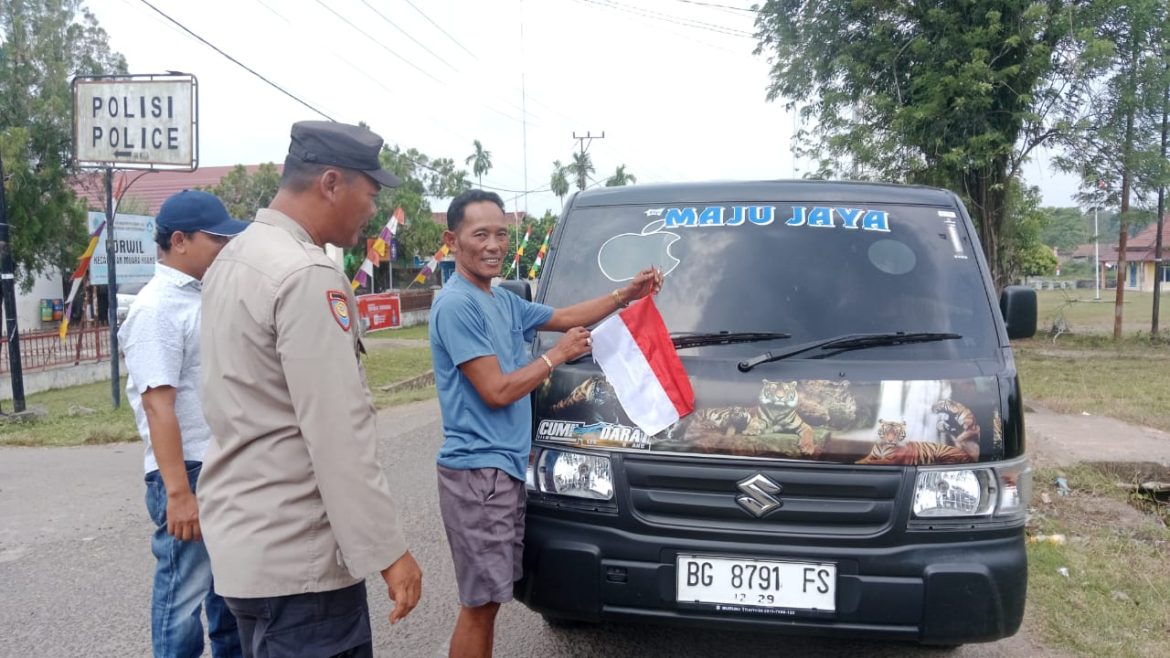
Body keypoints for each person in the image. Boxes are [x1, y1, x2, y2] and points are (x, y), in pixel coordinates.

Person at [198, 121, 423, 658]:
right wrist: (389, 553)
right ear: (330, 183)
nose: (372, 211)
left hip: (247, 556)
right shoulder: (305, 274)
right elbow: (337, 434)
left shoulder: (232, 259)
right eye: (369, 195)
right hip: (300, 567)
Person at [429, 189, 662, 658]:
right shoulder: (457, 305)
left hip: (500, 472)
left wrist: (624, 295)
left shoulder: (499, 299)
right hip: (480, 474)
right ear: (452, 241)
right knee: (479, 604)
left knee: (490, 600)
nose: (494, 245)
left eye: (501, 234)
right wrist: (557, 356)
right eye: (481, 235)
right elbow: (496, 391)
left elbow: (565, 316)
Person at [119, 189, 248, 658]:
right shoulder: (156, 309)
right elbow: (158, 407)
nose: (224, 249)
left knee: (227, 592)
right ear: (180, 241)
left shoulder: (201, 296)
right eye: (216, 240)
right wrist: (179, 495)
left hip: (215, 464)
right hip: (185, 472)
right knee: (182, 596)